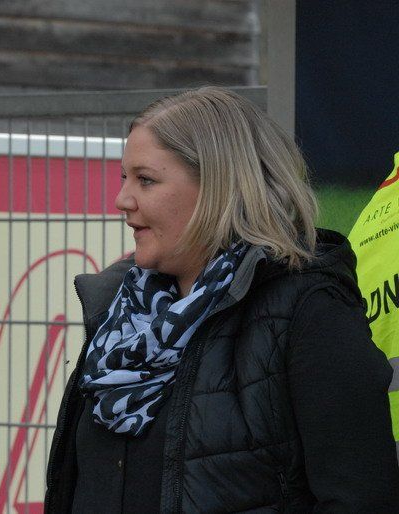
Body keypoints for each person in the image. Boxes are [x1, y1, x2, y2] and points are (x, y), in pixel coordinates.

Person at [45, 86, 399, 512]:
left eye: (146, 180)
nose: (122, 200)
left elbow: (361, 496)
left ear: (220, 187)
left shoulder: (308, 310)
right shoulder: (120, 314)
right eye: (125, 178)